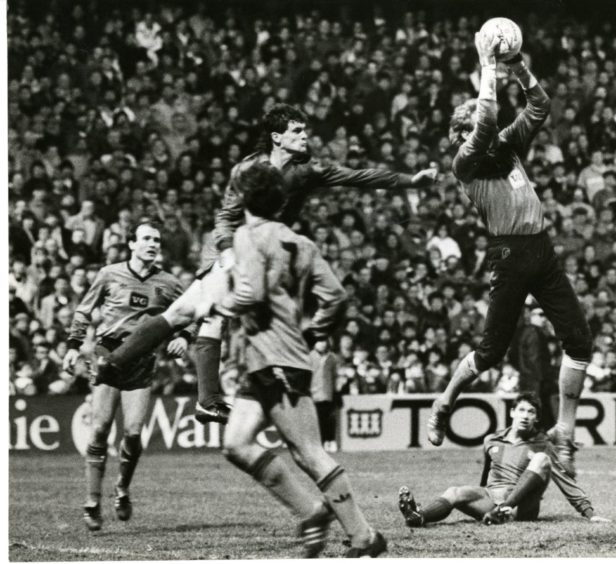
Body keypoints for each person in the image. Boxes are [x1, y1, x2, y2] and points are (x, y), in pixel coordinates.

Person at [98, 103, 437, 426]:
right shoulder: (248, 169)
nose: (305, 136)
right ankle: (203, 395)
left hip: (260, 251)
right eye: (297, 130)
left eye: (305, 130)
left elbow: (360, 176)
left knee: (188, 314)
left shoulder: (308, 171)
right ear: (277, 136)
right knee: (195, 316)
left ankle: (119, 365)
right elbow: (225, 217)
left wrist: (411, 181)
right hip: (232, 247)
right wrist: (229, 253)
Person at [426, 32, 592, 477]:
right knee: (490, 352)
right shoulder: (466, 164)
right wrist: (486, 67)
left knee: (580, 340)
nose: (478, 135)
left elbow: (539, 106)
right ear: (460, 138)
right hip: (510, 254)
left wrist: (518, 66)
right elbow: (485, 123)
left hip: (542, 249)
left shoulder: (507, 146)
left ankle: (564, 434)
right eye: (467, 132)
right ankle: (445, 402)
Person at [214, 163, 386, 558]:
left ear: (243, 198)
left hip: (275, 359)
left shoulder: (247, 235)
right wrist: (314, 332)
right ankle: (311, 511)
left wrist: (220, 304)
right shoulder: (300, 242)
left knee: (308, 451)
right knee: (236, 444)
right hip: (271, 358)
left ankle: (363, 535)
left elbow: (251, 294)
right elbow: (337, 296)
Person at [62, 219, 192, 531]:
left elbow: (190, 313)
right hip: (109, 355)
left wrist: (184, 337)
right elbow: (84, 309)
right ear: (131, 244)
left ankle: (121, 488)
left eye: (156, 240)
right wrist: (73, 345)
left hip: (142, 359)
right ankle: (92, 502)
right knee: (100, 428)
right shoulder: (110, 274)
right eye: (146, 238)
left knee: (133, 432)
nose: (152, 244)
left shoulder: (170, 283)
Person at [399, 393, 610, 527]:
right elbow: (486, 476)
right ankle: (418, 517)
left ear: (536, 418)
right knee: (455, 491)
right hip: (491, 499)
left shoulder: (542, 444)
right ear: (512, 412)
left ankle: (504, 510)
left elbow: (566, 482)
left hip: (522, 507)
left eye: (531, 412)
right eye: (521, 410)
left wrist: (589, 514)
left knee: (540, 459)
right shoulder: (491, 440)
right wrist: (480, 496)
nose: (525, 415)